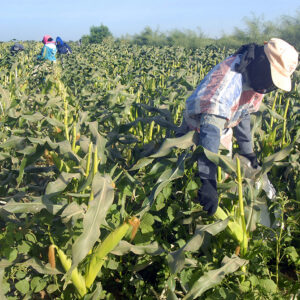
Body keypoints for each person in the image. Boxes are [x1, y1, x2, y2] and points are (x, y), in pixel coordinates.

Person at [177, 38, 298, 216]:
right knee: (195, 183)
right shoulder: (227, 84)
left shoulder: (254, 75)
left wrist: (247, 151)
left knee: (224, 177)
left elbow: (243, 113)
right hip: (197, 131)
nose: (269, 86)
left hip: (222, 127)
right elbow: (209, 132)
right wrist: (208, 181)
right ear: (263, 64)